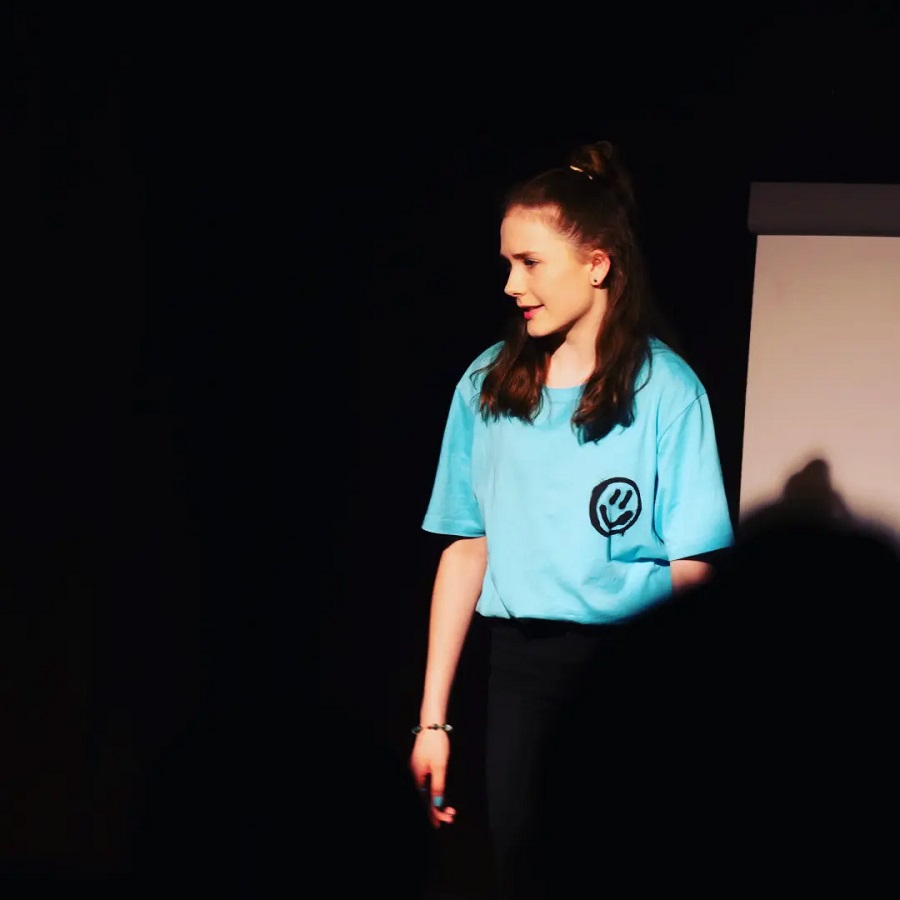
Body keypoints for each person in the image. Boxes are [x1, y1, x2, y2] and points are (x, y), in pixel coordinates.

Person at [408, 140, 735, 898]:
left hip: (635, 671)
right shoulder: (488, 384)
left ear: (596, 263)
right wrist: (432, 722)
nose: (511, 283)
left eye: (530, 262)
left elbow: (691, 566)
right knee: (525, 869)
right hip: (520, 670)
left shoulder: (668, 390)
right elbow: (467, 547)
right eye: (507, 263)